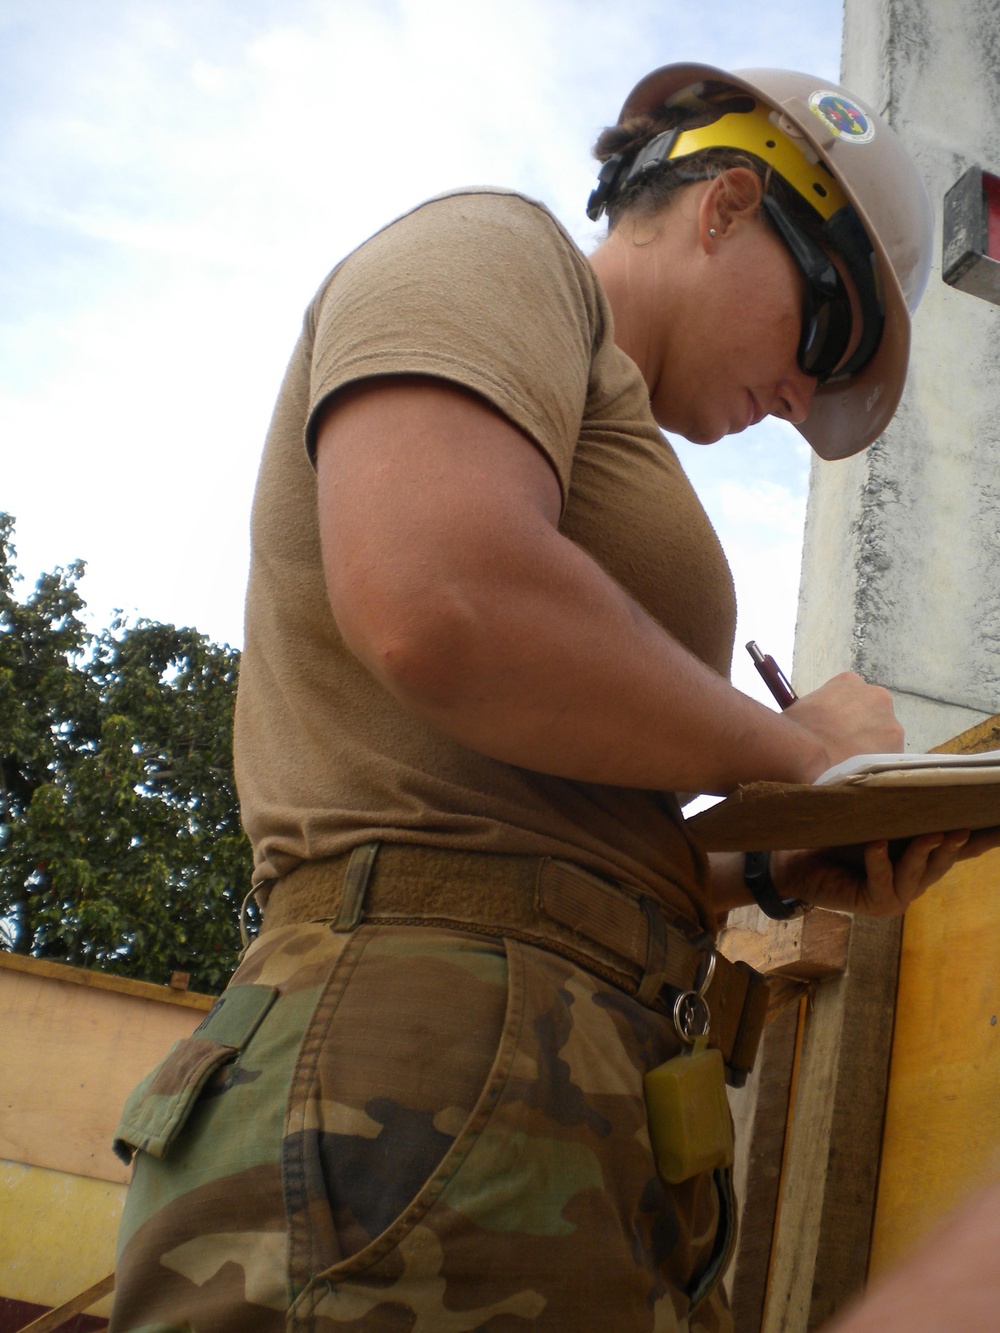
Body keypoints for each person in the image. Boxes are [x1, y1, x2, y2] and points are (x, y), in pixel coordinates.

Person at [108, 62, 995, 1332]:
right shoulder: (492, 249)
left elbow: (567, 845)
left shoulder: (605, 441)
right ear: (729, 202)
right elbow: (439, 593)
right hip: (423, 1084)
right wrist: (801, 758)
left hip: (560, 1099)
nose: (804, 398)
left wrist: (786, 868)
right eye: (830, 330)